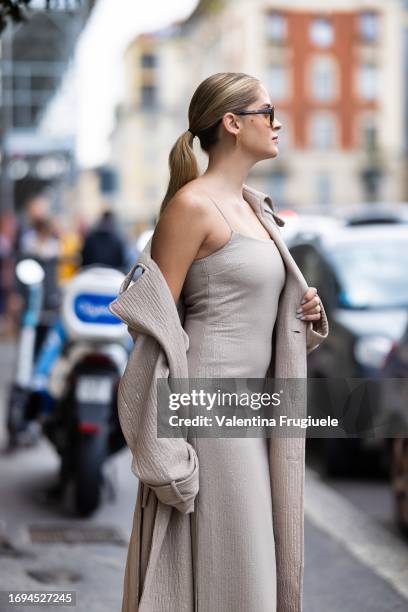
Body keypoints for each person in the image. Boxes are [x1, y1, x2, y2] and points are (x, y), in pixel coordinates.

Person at [118, 72, 328, 612]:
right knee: (241, 578)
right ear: (233, 124)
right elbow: (154, 328)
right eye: (267, 110)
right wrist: (161, 450)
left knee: (251, 571)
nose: (278, 122)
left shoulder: (255, 209)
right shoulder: (192, 207)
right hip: (212, 418)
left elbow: (249, 314)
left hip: (255, 412)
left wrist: (301, 313)